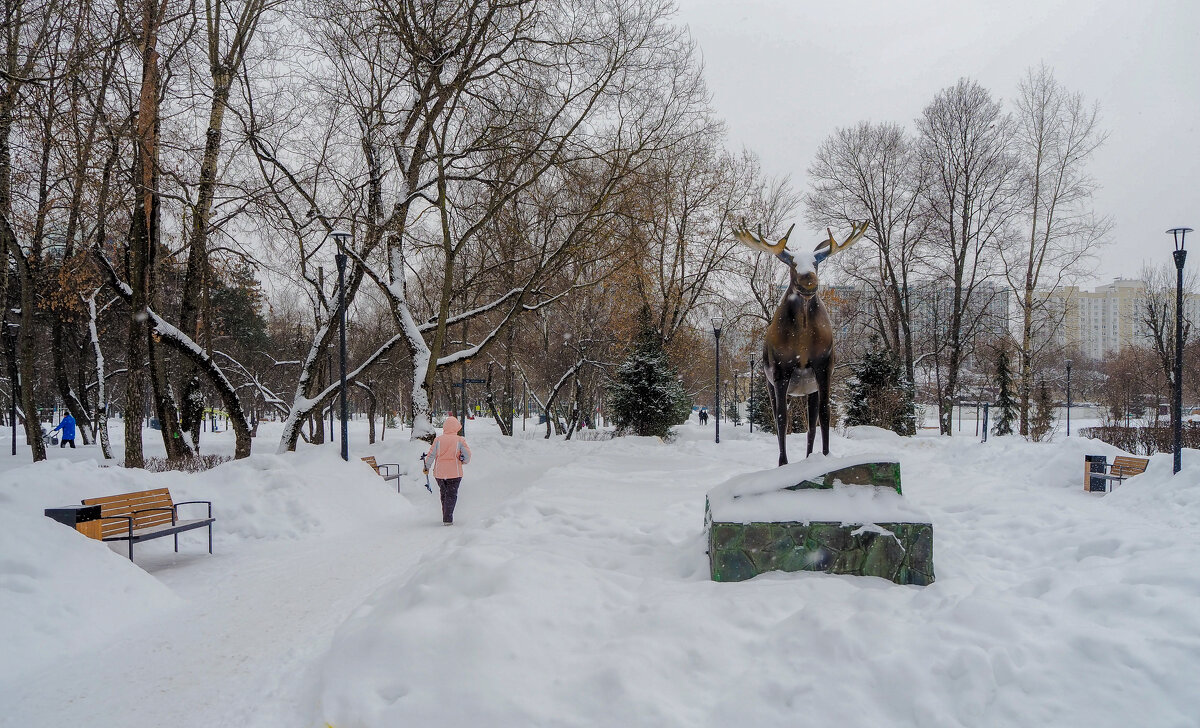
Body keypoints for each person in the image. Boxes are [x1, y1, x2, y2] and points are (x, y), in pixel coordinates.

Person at [423, 416, 472, 526]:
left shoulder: (438, 440)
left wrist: (427, 466)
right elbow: (467, 455)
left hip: (440, 473)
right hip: (455, 473)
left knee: (444, 493)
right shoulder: (460, 440)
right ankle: (448, 517)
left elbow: (431, 455)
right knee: (451, 494)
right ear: (456, 428)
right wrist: (464, 461)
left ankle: (446, 515)